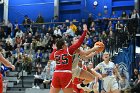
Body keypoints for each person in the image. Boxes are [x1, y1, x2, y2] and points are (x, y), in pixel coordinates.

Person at [49, 24, 88, 93]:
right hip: (66, 74)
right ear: (63, 45)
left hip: (56, 74)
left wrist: (54, 49)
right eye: (65, 43)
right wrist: (85, 31)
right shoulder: (68, 50)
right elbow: (79, 43)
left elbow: (51, 57)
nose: (67, 44)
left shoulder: (55, 53)